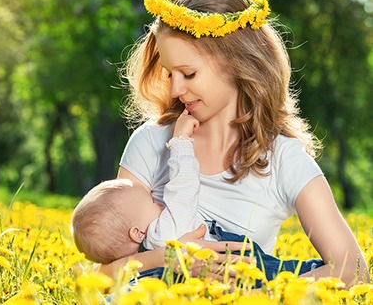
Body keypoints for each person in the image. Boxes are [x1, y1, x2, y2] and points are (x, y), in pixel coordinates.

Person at [104, 0, 369, 286]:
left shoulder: (283, 159)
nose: (176, 90)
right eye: (169, 73)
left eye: (189, 74)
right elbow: (100, 275)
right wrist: (170, 259)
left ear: (238, 63)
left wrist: (258, 297)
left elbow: (355, 272)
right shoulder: (150, 143)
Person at [71, 111, 323, 285]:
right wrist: (180, 143)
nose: (157, 198)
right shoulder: (165, 231)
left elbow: (107, 275)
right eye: (150, 201)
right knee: (283, 274)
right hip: (239, 267)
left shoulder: (143, 254)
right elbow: (184, 188)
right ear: (137, 232)